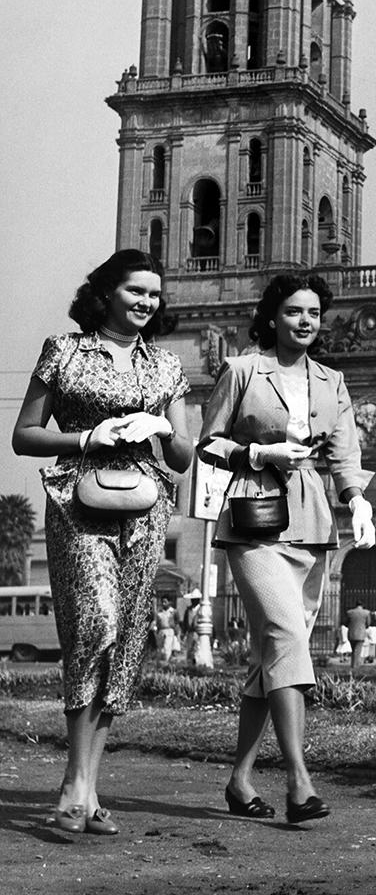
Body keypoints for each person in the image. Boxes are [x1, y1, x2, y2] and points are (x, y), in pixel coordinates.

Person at [12, 249, 192, 836]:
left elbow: (185, 457)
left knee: (125, 643)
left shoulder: (167, 366)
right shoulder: (62, 351)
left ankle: (87, 791)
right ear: (106, 292)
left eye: (155, 295)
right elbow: (24, 435)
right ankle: (72, 782)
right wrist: (89, 434)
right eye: (136, 291)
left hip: (145, 509)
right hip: (76, 503)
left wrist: (164, 427)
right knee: (96, 626)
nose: (147, 303)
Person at [198, 271, 375, 826]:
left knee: (269, 657)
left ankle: (240, 779)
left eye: (314, 314)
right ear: (273, 316)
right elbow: (209, 442)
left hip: (310, 518)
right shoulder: (243, 370)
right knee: (286, 635)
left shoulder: (332, 381)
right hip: (253, 516)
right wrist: (259, 454)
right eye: (295, 311)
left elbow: (345, 452)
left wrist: (357, 501)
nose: (305, 321)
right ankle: (300, 783)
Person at [344, 600, 370, 671]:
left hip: (351, 633)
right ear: (362, 605)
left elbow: (345, 623)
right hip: (361, 633)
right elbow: (368, 624)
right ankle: (355, 666)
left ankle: (353, 664)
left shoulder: (349, 612)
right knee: (358, 650)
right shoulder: (366, 613)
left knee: (353, 650)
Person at [154, 597, 178, 663]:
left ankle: (167, 663)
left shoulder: (173, 611)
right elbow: (157, 623)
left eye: (165, 602)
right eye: (162, 602)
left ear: (169, 602)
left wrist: (176, 633)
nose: (163, 603)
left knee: (167, 647)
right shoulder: (159, 612)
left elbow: (177, 622)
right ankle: (160, 663)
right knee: (160, 649)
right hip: (161, 631)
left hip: (169, 630)